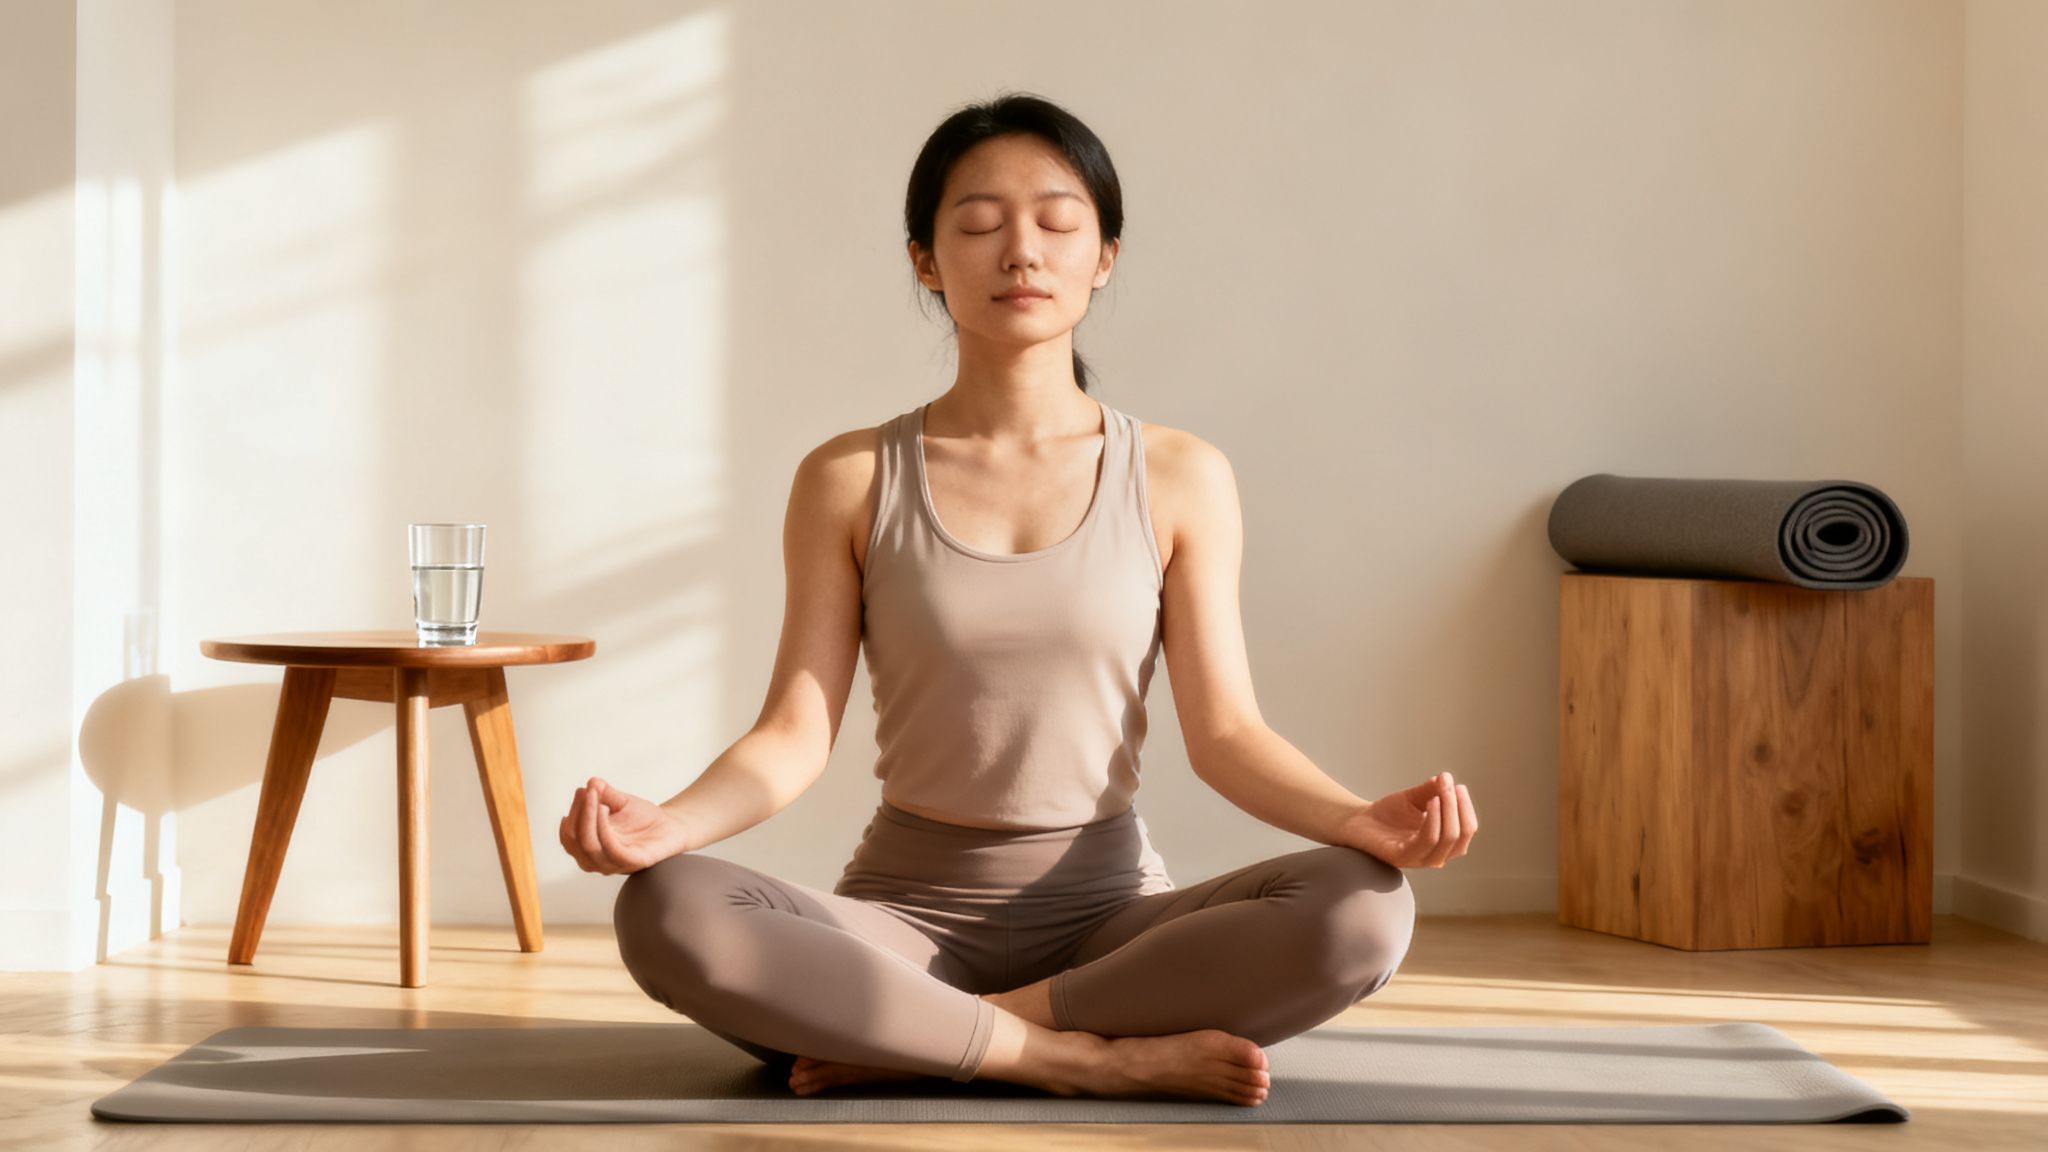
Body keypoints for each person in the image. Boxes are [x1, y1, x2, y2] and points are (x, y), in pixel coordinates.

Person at [559, 92, 1478, 1108]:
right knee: (670, 908)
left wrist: (1361, 822)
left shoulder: (1178, 475)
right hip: (897, 931)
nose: (1020, 253)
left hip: (1108, 926)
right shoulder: (850, 476)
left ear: (1105, 255)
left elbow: (1226, 735)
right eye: (979, 224)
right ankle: (1077, 1057)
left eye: (1055, 220)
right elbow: (791, 734)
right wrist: (667, 827)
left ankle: (934, 1040)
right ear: (924, 259)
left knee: (1360, 907)